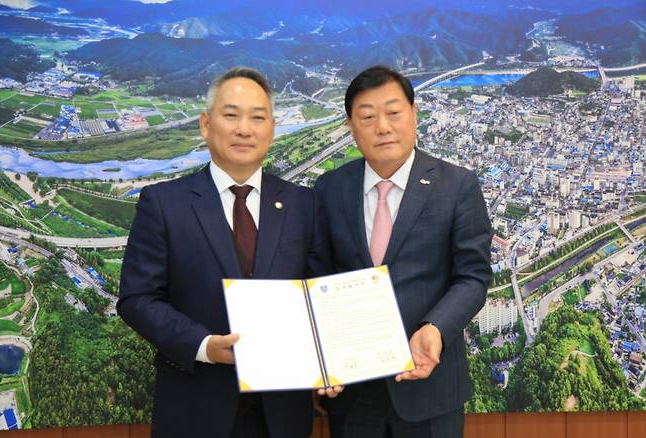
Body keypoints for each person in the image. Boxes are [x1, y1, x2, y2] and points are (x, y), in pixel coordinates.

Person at [118, 67, 331, 438]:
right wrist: (203, 345)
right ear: (205, 124)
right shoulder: (164, 203)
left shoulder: (303, 203)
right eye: (231, 115)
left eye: (257, 117)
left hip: (283, 415)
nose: (244, 129)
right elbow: (137, 298)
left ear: (272, 128)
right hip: (195, 409)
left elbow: (320, 295)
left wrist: (332, 360)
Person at [314, 65, 492, 438]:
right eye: (367, 116)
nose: (383, 126)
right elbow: (318, 278)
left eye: (394, 113)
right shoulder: (329, 188)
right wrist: (319, 354)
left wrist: (436, 328)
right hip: (353, 391)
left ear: (414, 114)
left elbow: (472, 277)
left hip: (430, 389)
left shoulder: (457, 186)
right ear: (351, 125)